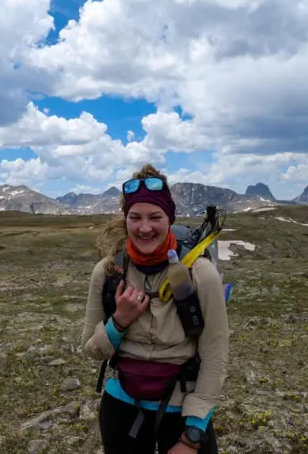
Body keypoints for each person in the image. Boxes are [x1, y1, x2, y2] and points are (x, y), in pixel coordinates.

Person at [80, 163, 230, 454]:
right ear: (126, 220)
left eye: (155, 217)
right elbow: (91, 350)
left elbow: (215, 354)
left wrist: (193, 435)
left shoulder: (201, 274)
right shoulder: (107, 272)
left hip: (183, 408)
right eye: (135, 217)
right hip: (121, 405)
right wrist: (119, 321)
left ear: (169, 218)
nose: (144, 227)